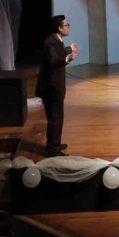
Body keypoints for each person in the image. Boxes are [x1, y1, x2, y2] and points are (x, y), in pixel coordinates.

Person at [35, 15, 77, 157]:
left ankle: (55, 144)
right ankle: (53, 149)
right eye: (66, 25)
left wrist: (68, 50)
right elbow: (53, 60)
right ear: (59, 28)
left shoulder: (56, 40)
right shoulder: (50, 41)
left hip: (54, 87)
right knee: (55, 118)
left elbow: (57, 54)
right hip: (52, 88)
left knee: (57, 117)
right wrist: (68, 57)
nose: (68, 27)